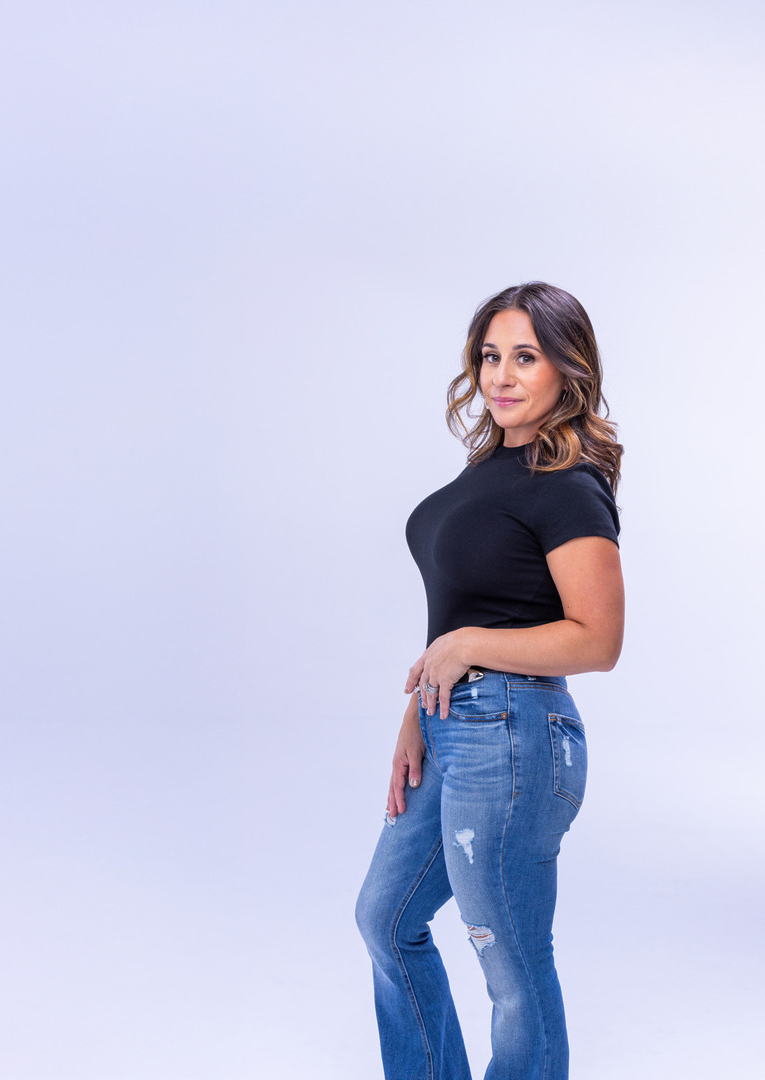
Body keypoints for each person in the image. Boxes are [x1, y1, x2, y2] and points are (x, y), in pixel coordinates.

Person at [354, 282, 624, 1080]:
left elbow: (598, 639)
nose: (501, 375)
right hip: (454, 725)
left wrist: (469, 644)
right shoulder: (490, 468)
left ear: (566, 371)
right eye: (489, 356)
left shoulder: (568, 484)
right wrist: (418, 710)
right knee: (385, 917)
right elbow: (463, 612)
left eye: (525, 357)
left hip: (514, 735)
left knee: (509, 961)